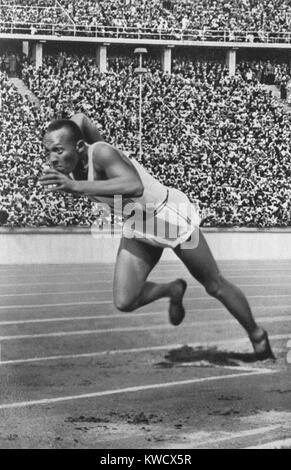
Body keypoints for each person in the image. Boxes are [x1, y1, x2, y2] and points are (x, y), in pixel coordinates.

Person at [39, 113, 275, 361]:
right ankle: (172, 290)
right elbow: (80, 119)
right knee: (124, 300)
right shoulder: (73, 165)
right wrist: (67, 138)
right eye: (48, 152)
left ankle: (257, 335)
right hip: (137, 225)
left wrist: (77, 185)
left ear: (77, 145)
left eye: (57, 150)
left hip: (167, 216)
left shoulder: (100, 154)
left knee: (214, 285)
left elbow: (134, 186)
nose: (52, 159)